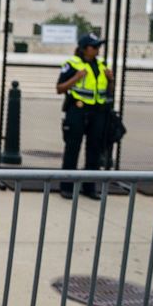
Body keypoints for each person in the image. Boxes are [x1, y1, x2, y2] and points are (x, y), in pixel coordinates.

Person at [56, 32, 114, 200]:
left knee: (95, 151)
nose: (97, 50)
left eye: (99, 46)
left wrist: (111, 80)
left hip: (98, 112)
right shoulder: (72, 64)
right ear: (84, 49)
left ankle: (90, 187)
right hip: (77, 110)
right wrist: (76, 77)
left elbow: (108, 91)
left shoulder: (102, 65)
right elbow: (59, 88)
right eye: (94, 46)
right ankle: (66, 186)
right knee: (72, 149)